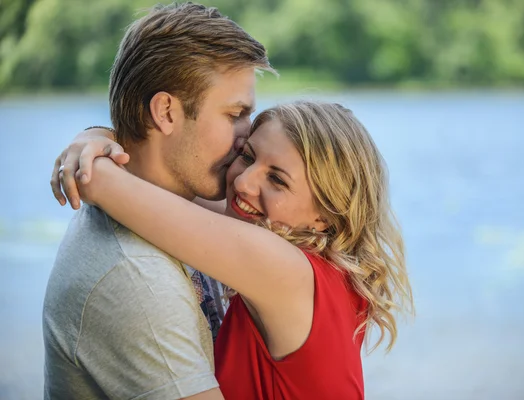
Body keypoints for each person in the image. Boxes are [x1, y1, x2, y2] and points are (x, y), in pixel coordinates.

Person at [57, 100, 414, 399]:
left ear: (324, 216)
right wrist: (100, 135)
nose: (243, 181)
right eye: (247, 155)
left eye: (276, 179)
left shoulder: (283, 269)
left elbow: (100, 183)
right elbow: (159, 176)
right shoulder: (324, 266)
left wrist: (89, 144)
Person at [42, 3, 273, 399]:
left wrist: (97, 135)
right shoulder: (136, 278)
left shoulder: (183, 204)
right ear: (166, 112)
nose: (247, 136)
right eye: (235, 114)